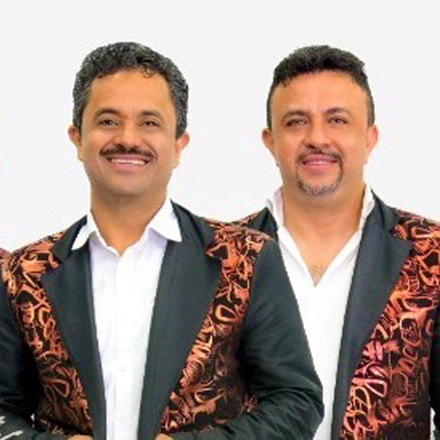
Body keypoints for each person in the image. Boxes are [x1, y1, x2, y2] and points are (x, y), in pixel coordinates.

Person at [0, 42, 323, 440]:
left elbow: (297, 402)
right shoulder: (24, 273)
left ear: (178, 144)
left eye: (149, 122)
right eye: (108, 121)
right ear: (77, 139)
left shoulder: (245, 259)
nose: (128, 138)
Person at [239, 45, 440, 439]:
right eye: (296, 122)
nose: (317, 138)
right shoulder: (221, 256)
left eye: (337, 120)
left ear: (369, 137)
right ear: (270, 140)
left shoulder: (432, 254)